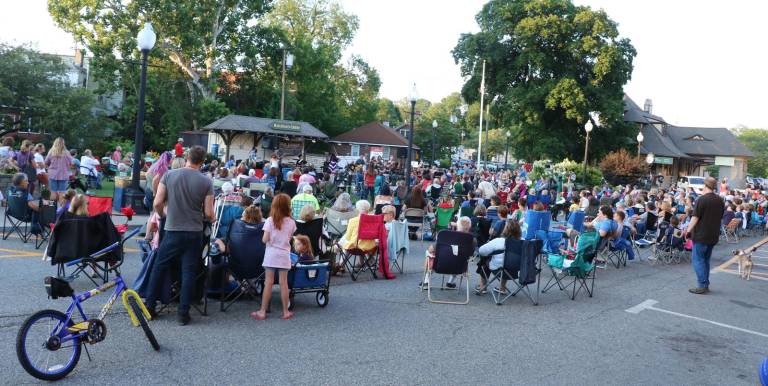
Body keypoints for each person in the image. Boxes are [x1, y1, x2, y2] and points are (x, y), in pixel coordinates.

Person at [145, 146, 215, 326]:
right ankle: (183, 313)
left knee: (159, 267)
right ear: (202, 161)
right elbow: (208, 213)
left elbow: (158, 202)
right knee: (189, 271)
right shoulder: (206, 182)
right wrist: (212, 218)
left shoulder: (169, 175)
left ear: (187, 158)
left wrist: (162, 216)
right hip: (194, 232)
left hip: (172, 229)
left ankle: (150, 307)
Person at [251, 193, 296, 321]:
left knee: (268, 283)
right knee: (283, 283)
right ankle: (286, 311)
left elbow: (265, 240)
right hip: (284, 255)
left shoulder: (270, 221)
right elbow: (289, 237)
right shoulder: (292, 222)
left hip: (271, 255)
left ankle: (262, 311)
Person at [685, 177, 725, 295]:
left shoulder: (701, 199)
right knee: (705, 260)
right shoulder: (720, 200)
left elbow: (695, 217)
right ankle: (705, 284)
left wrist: (688, 231)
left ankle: (702, 285)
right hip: (713, 235)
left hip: (701, 235)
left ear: (705, 185)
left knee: (698, 260)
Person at [479, 220, 523, 295]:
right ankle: (502, 287)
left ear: (505, 229)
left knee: (485, 259)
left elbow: (481, 251)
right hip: (516, 270)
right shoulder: (523, 242)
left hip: (499, 269)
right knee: (508, 261)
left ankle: (483, 286)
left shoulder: (499, 241)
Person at [44, 138, 74, 204]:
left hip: (52, 175)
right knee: (62, 193)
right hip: (64, 174)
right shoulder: (67, 152)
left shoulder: (51, 151)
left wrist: (49, 167)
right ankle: (61, 211)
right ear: (63, 144)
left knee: (53, 192)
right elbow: (72, 164)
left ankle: (52, 209)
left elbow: (46, 162)